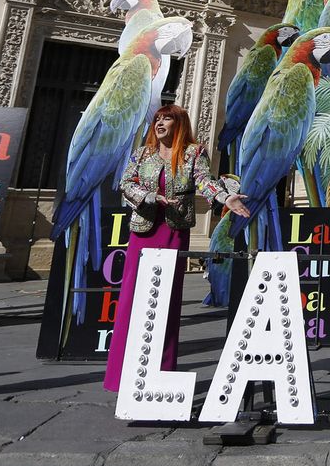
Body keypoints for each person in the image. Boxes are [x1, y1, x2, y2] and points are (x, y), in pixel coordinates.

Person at [104, 105, 248, 391]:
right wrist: (148, 197)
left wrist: (224, 198)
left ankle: (161, 372)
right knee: (133, 301)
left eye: (166, 118)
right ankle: (122, 376)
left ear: (179, 123)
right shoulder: (142, 153)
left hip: (172, 232)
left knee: (165, 302)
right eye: (157, 118)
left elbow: (205, 182)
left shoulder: (194, 153)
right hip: (143, 233)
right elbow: (125, 183)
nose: (159, 123)